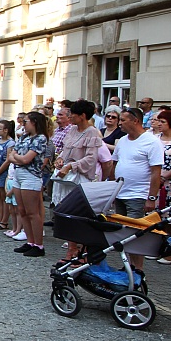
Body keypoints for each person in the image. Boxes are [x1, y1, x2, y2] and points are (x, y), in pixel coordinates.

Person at [104, 107, 164, 273]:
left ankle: (138, 269)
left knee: (135, 234)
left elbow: (155, 172)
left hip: (138, 194)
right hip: (121, 193)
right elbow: (114, 164)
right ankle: (128, 266)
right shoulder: (122, 140)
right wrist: (110, 187)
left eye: (123, 120)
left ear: (135, 120)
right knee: (123, 234)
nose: (120, 123)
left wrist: (151, 198)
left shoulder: (151, 142)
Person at [53, 100, 102, 261]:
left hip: (80, 178)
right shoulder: (72, 129)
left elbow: (91, 159)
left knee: (81, 215)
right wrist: (60, 160)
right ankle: (71, 249)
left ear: (82, 116)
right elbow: (65, 151)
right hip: (66, 178)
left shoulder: (92, 132)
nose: (70, 117)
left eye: (72, 114)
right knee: (67, 213)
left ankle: (84, 252)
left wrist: (72, 166)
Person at [6, 111, 49, 257]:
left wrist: (17, 157)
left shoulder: (41, 138)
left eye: (26, 122)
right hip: (18, 173)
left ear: (34, 122)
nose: (23, 124)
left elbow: (25, 159)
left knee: (32, 212)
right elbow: (12, 156)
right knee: (22, 210)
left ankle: (39, 244)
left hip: (30, 175)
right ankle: (30, 241)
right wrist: (18, 158)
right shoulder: (24, 137)